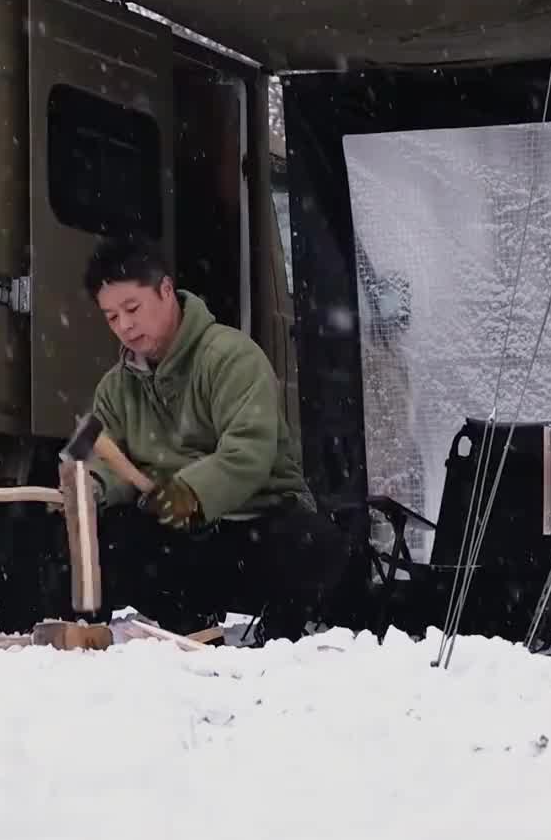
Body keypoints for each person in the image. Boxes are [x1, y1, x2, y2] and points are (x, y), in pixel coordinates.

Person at [58, 236, 349, 642]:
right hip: (179, 542)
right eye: (110, 317)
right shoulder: (114, 389)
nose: (124, 326)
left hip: (254, 524)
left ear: (165, 291)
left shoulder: (231, 357)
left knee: (312, 544)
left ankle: (281, 641)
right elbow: (101, 456)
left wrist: (192, 493)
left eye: (132, 309)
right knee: (112, 536)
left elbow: (248, 451)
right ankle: (188, 632)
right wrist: (88, 486)